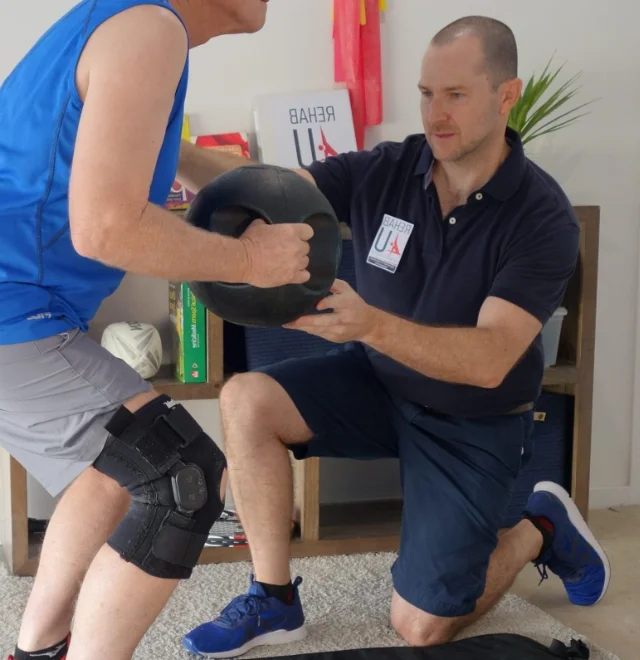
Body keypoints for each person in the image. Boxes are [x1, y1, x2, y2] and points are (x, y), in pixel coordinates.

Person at [175, 15, 611, 658]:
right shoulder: (392, 167)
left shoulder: (542, 217)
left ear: (507, 95)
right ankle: (273, 597)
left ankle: (537, 529)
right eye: (427, 93)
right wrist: (167, 149)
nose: (436, 114)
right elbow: (270, 191)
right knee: (246, 398)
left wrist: (371, 324)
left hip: (474, 416)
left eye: (456, 95)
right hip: (380, 379)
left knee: (420, 627)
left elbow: (491, 359)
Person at [0, 2, 314, 660]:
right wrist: (253, 262)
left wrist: (229, 178)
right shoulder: (151, 28)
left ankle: (39, 651)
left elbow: (112, 148)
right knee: (181, 477)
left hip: (23, 308)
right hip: (13, 311)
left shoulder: (127, 20)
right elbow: (105, 227)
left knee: (109, 473)